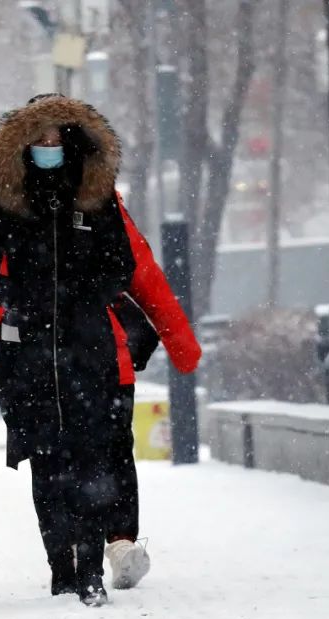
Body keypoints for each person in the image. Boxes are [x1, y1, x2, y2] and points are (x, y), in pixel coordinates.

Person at [0, 94, 135, 607]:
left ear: (71, 139)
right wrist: (20, 296)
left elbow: (121, 266)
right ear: (22, 146)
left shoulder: (96, 202)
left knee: (90, 460)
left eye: (54, 136)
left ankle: (89, 570)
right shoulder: (9, 207)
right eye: (37, 138)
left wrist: (85, 297)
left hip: (87, 353)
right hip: (31, 357)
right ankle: (60, 565)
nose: (47, 146)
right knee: (47, 464)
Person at [101, 197, 202, 589]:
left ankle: (121, 543)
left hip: (111, 359)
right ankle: (74, 547)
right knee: (66, 456)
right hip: (54, 361)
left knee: (115, 451)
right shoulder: (17, 205)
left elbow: (145, 275)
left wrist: (179, 340)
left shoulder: (105, 206)